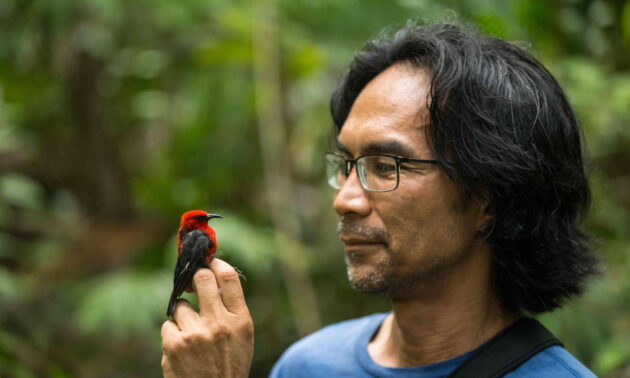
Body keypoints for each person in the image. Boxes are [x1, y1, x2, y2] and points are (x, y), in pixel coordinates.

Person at [160, 21, 599, 377]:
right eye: (346, 164)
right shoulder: (307, 365)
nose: (345, 200)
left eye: (385, 167)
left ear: (489, 198)